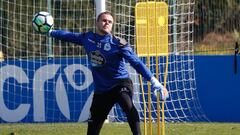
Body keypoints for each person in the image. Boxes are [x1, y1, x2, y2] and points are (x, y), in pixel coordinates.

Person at [46, 11, 169, 135]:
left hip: (120, 83)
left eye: (110, 22)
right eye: (104, 20)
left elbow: (136, 62)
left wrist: (154, 81)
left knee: (127, 104)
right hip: (102, 90)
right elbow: (68, 36)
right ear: (97, 22)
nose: (107, 23)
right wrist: (50, 32)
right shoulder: (88, 38)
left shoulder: (118, 43)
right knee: (93, 127)